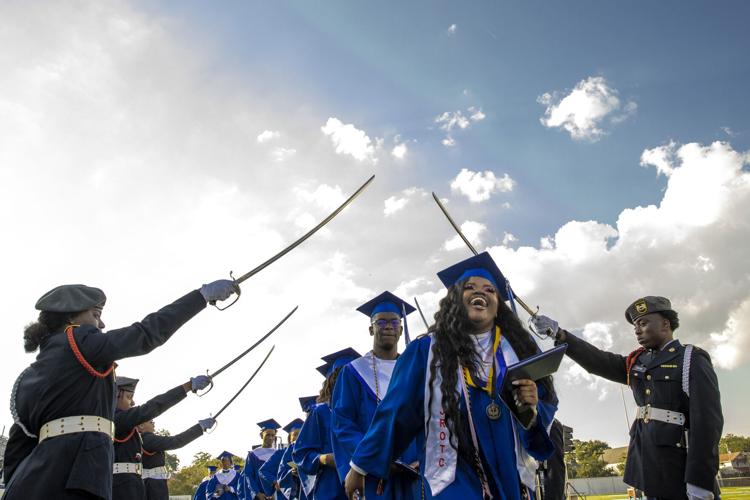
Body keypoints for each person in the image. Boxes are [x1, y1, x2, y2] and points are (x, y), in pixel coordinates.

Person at [344, 252, 558, 499]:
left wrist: (530, 411)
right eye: (469, 287)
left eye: (490, 289)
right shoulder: (425, 351)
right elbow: (396, 412)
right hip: (453, 475)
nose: (480, 292)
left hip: (510, 474)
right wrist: (359, 465)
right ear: (455, 299)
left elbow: (546, 405)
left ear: (499, 304)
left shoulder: (520, 350)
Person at [2, 280, 238, 499]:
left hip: (36, 481)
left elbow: (17, 447)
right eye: (96, 315)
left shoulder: (29, 376)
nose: (102, 324)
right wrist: (200, 297)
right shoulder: (77, 339)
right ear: (71, 319)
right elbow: (144, 334)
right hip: (79, 476)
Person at [532, 296, 723, 500]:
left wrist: (699, 480)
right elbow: (599, 361)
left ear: (665, 324)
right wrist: (560, 335)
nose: (637, 330)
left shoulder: (690, 358)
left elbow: (707, 423)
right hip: (648, 467)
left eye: (643, 323)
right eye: (635, 326)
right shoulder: (638, 362)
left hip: (680, 467)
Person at [332, 292, 421, 499]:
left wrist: (423, 457)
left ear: (401, 328)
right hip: (372, 475)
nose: (388, 326)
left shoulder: (414, 370)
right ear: (371, 329)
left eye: (394, 322)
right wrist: (372, 459)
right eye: (381, 322)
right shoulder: (353, 372)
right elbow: (342, 424)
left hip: (415, 473)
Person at [112, 376, 214, 500]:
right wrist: (188, 386)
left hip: (132, 486)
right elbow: (154, 407)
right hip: (126, 489)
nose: (133, 403)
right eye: (129, 397)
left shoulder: (126, 426)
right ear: (116, 395)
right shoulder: (118, 420)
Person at [293, 350, 358, 500]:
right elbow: (301, 454)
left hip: (365, 486)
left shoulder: (367, 411)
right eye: (340, 377)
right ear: (332, 381)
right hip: (330, 489)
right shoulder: (321, 412)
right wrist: (325, 459)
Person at [140, 417, 214, 500]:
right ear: (141, 426)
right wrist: (200, 427)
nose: (153, 423)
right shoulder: (147, 438)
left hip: (151, 482)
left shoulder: (142, 439)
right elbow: (176, 441)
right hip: (153, 485)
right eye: (151, 422)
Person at [261, 419, 305, 500]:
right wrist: (275, 481)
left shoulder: (309, 454)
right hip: (285, 495)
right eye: (295, 434)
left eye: (301, 434)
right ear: (289, 438)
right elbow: (263, 471)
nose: (298, 437)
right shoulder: (281, 453)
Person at [243, 419, 281, 500]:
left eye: (273, 435)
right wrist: (257, 493)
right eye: (267, 435)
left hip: (275, 496)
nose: (270, 438)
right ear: (261, 435)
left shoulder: (278, 454)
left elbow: (281, 475)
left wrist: (275, 494)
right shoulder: (253, 455)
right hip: (258, 496)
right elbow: (248, 476)